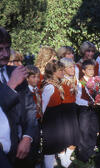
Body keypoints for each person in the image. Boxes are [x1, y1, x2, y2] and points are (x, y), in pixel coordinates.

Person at [0, 26, 38, 168]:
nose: (5, 54)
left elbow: (30, 108)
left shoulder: (16, 71)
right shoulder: (15, 78)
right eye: (0, 49)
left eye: (7, 48)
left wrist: (28, 137)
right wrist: (11, 85)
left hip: (20, 152)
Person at [42, 60, 79, 168]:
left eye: (63, 70)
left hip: (57, 118)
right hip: (50, 119)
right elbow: (42, 107)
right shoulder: (50, 86)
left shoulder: (57, 84)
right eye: (60, 70)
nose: (63, 72)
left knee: (55, 145)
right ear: (53, 72)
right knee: (50, 146)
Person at [75, 59, 99, 162]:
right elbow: (77, 99)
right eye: (89, 69)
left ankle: (91, 152)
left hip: (94, 110)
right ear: (83, 71)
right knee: (84, 131)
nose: (91, 71)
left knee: (93, 130)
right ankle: (83, 156)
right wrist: (88, 103)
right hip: (84, 110)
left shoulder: (96, 81)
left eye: (92, 69)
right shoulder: (80, 82)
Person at [59, 57, 80, 167]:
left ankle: (67, 157)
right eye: (70, 67)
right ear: (64, 69)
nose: (73, 69)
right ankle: (63, 158)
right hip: (63, 109)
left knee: (74, 136)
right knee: (64, 135)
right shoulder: (60, 81)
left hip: (72, 108)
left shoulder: (74, 79)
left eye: (73, 67)